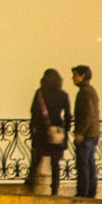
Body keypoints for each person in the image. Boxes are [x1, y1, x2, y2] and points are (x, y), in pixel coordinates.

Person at [27, 67, 71, 196]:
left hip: (41, 131)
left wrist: (33, 128)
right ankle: (55, 189)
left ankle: (31, 184)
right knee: (55, 163)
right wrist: (65, 130)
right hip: (56, 131)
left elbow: (34, 112)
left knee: (36, 159)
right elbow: (68, 115)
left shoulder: (40, 93)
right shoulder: (63, 95)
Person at [72, 63, 100, 198]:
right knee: (89, 164)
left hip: (87, 135)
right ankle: (91, 192)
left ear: (82, 76)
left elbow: (88, 115)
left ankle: (83, 192)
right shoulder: (91, 90)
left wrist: (80, 132)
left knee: (83, 164)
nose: (73, 78)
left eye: (75, 75)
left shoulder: (84, 92)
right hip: (92, 133)